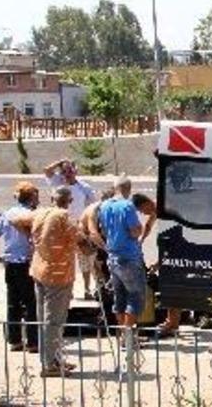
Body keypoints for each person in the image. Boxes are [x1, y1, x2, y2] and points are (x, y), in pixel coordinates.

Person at [0, 182, 39, 351]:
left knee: (13, 300)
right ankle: (33, 341)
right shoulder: (31, 215)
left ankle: (15, 340)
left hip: (10, 262)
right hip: (25, 262)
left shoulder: (7, 214)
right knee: (30, 302)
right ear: (31, 198)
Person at [29, 186, 78, 376]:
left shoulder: (40, 213)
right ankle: (50, 364)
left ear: (52, 199)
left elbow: (16, 220)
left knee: (44, 319)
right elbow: (78, 237)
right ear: (70, 201)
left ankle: (53, 359)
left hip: (40, 269)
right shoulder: (64, 216)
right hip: (58, 274)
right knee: (54, 320)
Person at [96, 190, 156, 330]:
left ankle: (123, 334)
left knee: (120, 297)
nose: (143, 214)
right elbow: (136, 230)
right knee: (135, 297)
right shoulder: (128, 208)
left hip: (113, 257)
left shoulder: (106, 207)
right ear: (145, 203)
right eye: (142, 211)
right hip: (128, 257)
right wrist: (139, 235)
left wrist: (141, 239)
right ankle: (128, 335)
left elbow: (103, 231)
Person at [44, 158, 97, 298]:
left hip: (79, 228)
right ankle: (69, 289)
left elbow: (93, 206)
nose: (67, 174)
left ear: (75, 171)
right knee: (66, 261)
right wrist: (60, 161)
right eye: (64, 171)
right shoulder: (58, 183)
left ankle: (87, 289)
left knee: (85, 260)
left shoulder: (84, 187)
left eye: (70, 170)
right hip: (61, 228)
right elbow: (47, 170)